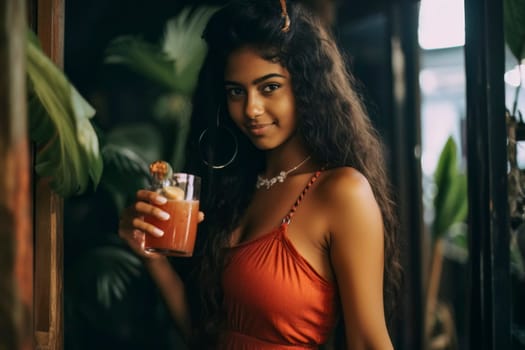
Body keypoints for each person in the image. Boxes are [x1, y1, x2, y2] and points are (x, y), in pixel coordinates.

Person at [118, 0, 402, 349]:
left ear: (305, 87)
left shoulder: (341, 192)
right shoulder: (236, 186)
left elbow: (369, 341)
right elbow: (205, 335)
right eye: (236, 91)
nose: (251, 109)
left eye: (269, 87)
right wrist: (154, 259)